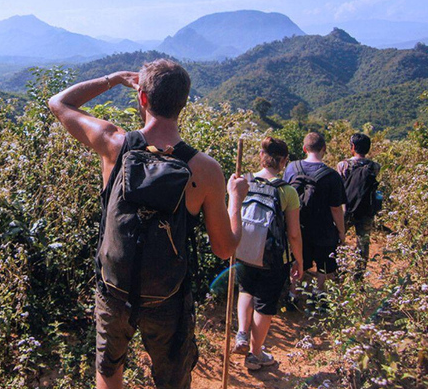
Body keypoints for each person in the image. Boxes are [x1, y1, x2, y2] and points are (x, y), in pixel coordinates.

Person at [48, 59, 248, 389]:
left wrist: (114, 78)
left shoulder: (113, 144)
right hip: (167, 295)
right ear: (183, 103)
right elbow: (225, 248)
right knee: (172, 380)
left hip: (114, 288)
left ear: (142, 98)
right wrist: (236, 198)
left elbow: (59, 103)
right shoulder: (205, 170)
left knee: (109, 371)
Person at [233, 137, 303, 370]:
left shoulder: (244, 182)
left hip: (242, 250)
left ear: (261, 156)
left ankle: (242, 333)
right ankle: (255, 355)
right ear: (283, 161)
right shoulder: (287, 191)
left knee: (246, 290)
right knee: (264, 303)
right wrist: (298, 260)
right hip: (272, 258)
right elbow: (293, 233)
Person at [283, 132, 346, 298]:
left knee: (297, 260)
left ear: (304, 148)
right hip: (323, 230)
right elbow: (336, 208)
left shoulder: (291, 168)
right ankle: (319, 294)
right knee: (324, 264)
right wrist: (341, 231)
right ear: (324, 149)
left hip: (297, 226)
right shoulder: (332, 176)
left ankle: (293, 294)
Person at [337, 133, 381, 278]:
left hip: (346, 208)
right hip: (366, 209)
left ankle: (339, 269)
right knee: (363, 242)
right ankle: (359, 274)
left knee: (339, 238)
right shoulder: (374, 166)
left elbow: (340, 186)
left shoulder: (343, 165)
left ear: (353, 147)